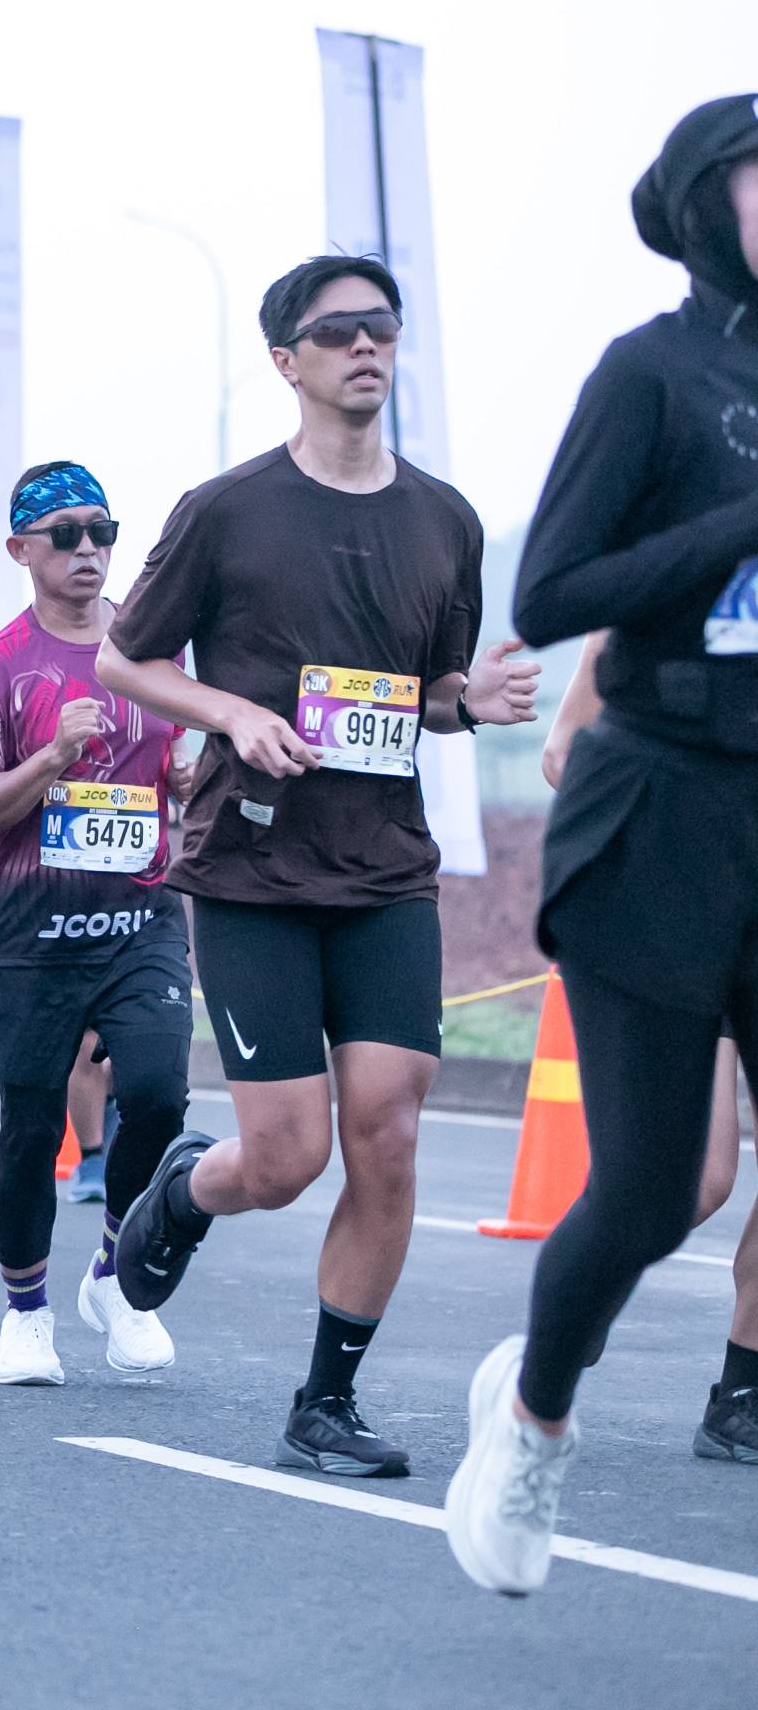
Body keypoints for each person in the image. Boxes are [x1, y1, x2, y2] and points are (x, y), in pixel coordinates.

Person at [99, 253, 537, 1480]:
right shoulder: (227, 508)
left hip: (386, 866)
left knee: (387, 1130)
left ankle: (326, 1401)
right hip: (254, 867)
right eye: (338, 330)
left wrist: (472, 699)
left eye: (381, 327)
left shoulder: (444, 519)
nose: (365, 347)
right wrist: (232, 714)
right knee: (285, 1158)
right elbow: (126, 659)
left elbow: (428, 689)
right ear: (286, 359)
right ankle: (186, 1190)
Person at [445, 101, 758, 1593]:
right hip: (661, 808)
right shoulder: (652, 373)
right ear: (704, 204)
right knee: (643, 1183)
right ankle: (534, 1419)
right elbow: (554, 588)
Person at [0, 463, 194, 1386]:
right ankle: (25, 1314)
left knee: (158, 1095)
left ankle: (114, 1276)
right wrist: (51, 757)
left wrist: (188, 780)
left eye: (103, 532)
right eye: (66, 535)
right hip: (29, 924)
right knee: (29, 1128)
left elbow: (178, 765)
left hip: (142, 915)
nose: (88, 550)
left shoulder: (151, 649)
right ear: (22, 550)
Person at [540, 631, 758, 1466]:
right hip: (688, 902)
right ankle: (578, 1305)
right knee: (694, 1179)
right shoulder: (669, 590)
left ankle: (742, 1393)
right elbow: (564, 752)